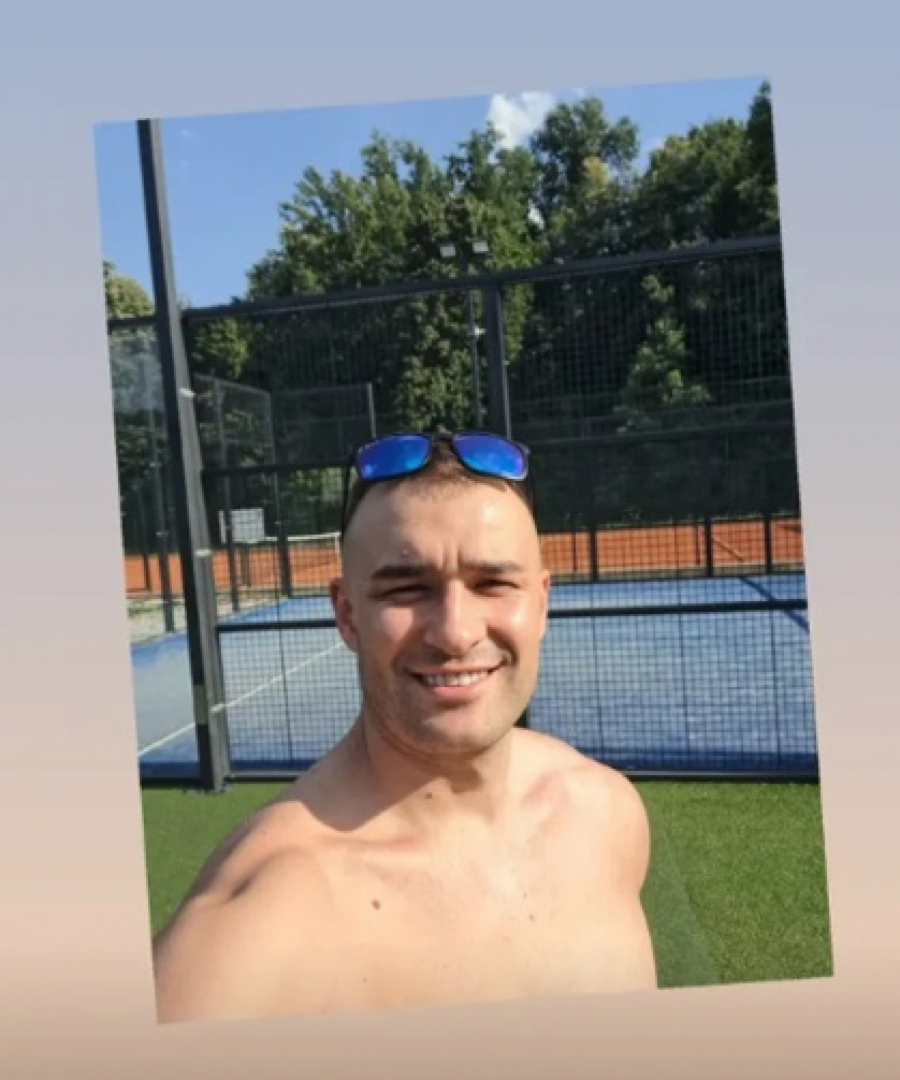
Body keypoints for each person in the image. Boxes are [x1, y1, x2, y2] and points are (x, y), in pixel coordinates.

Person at [153, 431, 657, 1023]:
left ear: (541, 603)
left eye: (493, 583)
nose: (456, 633)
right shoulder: (263, 919)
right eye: (407, 589)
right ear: (347, 614)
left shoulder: (605, 814)